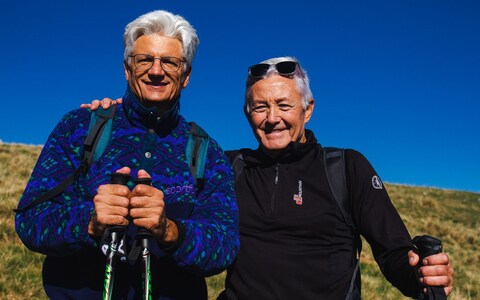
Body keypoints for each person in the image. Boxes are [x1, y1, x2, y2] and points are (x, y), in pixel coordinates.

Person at [85, 56, 454, 299]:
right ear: (247, 114)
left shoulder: (346, 168)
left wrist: (421, 276)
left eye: (283, 105)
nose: (271, 117)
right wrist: (121, 117)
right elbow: (161, 166)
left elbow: (393, 253)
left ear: (307, 110)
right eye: (259, 107)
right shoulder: (227, 166)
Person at [15, 10, 239, 300]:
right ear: (127, 68)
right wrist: (89, 222)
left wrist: (171, 232)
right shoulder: (80, 127)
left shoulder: (207, 152)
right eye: (144, 59)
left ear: (185, 76)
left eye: (170, 62)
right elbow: (30, 219)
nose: (156, 71)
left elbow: (225, 245)